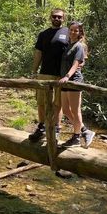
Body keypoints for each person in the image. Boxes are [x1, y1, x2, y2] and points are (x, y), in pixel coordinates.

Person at [28, 8, 69, 142]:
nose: (56, 19)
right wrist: (34, 71)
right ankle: (42, 127)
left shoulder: (69, 32)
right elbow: (38, 53)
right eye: (54, 16)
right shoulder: (43, 34)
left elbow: (77, 50)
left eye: (59, 17)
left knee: (58, 103)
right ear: (50, 18)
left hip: (61, 75)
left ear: (64, 18)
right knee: (41, 102)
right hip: (44, 73)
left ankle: (56, 128)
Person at [58, 21, 95, 148]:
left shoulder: (79, 46)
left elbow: (76, 63)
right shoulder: (69, 44)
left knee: (75, 109)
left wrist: (67, 76)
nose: (73, 32)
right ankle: (84, 130)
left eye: (76, 30)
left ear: (80, 33)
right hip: (65, 81)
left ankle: (76, 137)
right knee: (66, 109)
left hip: (74, 81)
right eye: (71, 30)